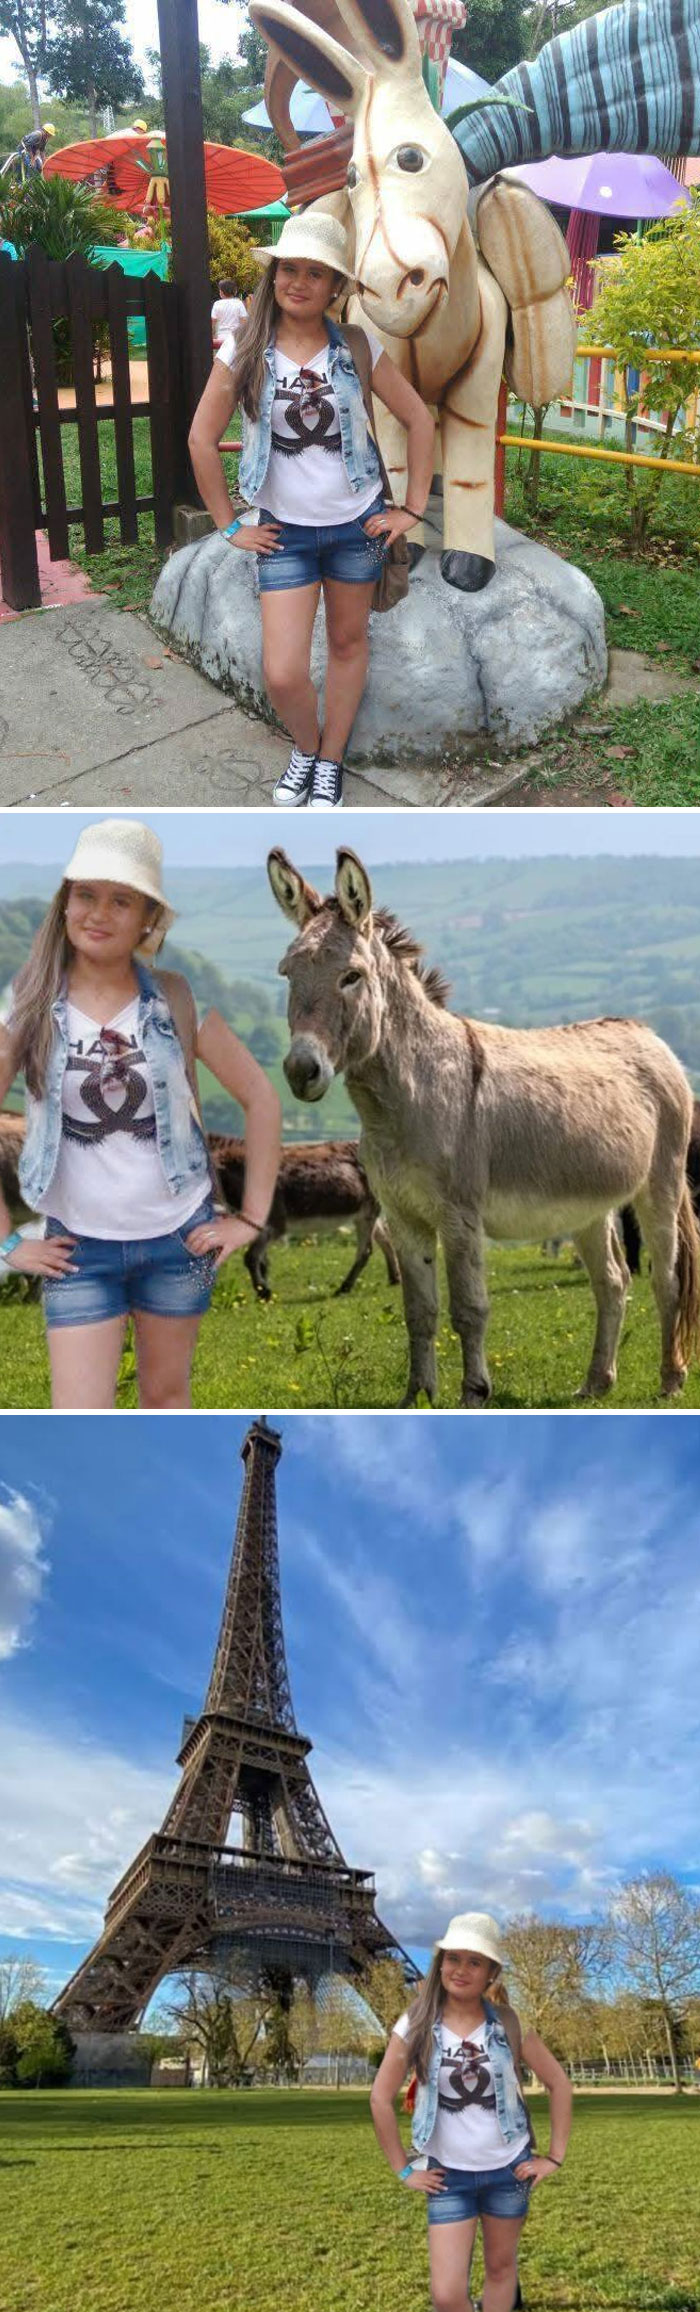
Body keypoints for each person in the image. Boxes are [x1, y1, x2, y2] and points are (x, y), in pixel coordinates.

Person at [0, 819, 281, 1411]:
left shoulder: (177, 999)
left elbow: (262, 1100)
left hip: (180, 1241)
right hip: (79, 1253)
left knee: (167, 1400)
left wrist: (251, 1219)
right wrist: (5, 1245)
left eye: (120, 900)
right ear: (65, 901)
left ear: (147, 918)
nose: (97, 913)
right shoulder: (28, 1004)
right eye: (86, 895)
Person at [188, 210, 435, 811]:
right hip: (284, 536)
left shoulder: (356, 345)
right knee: (283, 672)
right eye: (289, 269)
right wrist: (228, 525)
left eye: (315, 273)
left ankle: (330, 762)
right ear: (274, 277)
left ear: (335, 287)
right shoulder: (244, 348)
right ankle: (305, 745)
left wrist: (411, 509)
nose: (299, 282)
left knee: (349, 645)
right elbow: (201, 437)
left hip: (357, 528)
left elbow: (419, 419)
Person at [370, 1912, 572, 2312]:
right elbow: (380, 2097)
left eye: (474, 1962)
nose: (460, 1970)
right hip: (449, 2178)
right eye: (453, 1958)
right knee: (447, 2296)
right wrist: (403, 2169)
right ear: (440, 1962)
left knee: (500, 2270)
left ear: (491, 1972)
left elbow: (559, 2084)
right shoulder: (415, 2022)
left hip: (508, 2171)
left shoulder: (510, 2023)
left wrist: (554, 2157)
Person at [212, 276, 247, 351]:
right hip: (235, 338)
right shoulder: (239, 303)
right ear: (235, 291)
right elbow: (244, 321)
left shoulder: (217, 304)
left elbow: (212, 322)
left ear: (221, 292)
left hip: (221, 338)